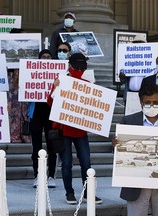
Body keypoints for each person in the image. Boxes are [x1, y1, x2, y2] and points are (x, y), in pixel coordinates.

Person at [112, 83, 158, 216]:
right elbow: (121, 152)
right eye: (147, 102)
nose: (152, 105)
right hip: (136, 184)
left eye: (155, 102)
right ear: (140, 102)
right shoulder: (128, 122)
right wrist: (116, 144)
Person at [47, 53, 102, 205]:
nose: (79, 70)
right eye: (76, 67)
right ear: (69, 66)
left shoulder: (87, 82)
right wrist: (55, 89)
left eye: (81, 68)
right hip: (64, 130)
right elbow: (51, 104)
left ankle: (88, 193)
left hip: (80, 130)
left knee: (86, 162)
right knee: (66, 163)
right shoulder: (60, 81)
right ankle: (69, 193)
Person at [28, 49, 57, 188]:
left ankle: (51, 176)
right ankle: (37, 175)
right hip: (36, 113)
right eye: (43, 57)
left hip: (52, 113)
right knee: (36, 147)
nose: (46, 59)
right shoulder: (32, 74)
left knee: (52, 146)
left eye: (48, 56)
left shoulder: (57, 75)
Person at [6, 28, 30, 143]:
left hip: (25, 80)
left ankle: (24, 133)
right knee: (13, 108)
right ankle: (12, 133)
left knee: (24, 108)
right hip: (11, 81)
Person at [119, 33, 148, 106]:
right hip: (130, 94)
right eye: (136, 43)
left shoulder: (149, 59)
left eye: (140, 43)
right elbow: (122, 80)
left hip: (145, 94)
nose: (138, 45)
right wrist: (122, 77)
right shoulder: (127, 58)